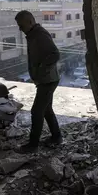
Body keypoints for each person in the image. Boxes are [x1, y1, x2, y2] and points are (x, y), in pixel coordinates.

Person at [15, 10, 62, 153]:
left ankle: (33, 145)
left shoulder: (40, 34)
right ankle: (56, 137)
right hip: (45, 79)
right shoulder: (33, 35)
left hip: (48, 80)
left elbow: (55, 54)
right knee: (46, 110)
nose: (20, 29)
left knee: (36, 111)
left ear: (30, 22)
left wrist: (42, 69)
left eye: (21, 25)